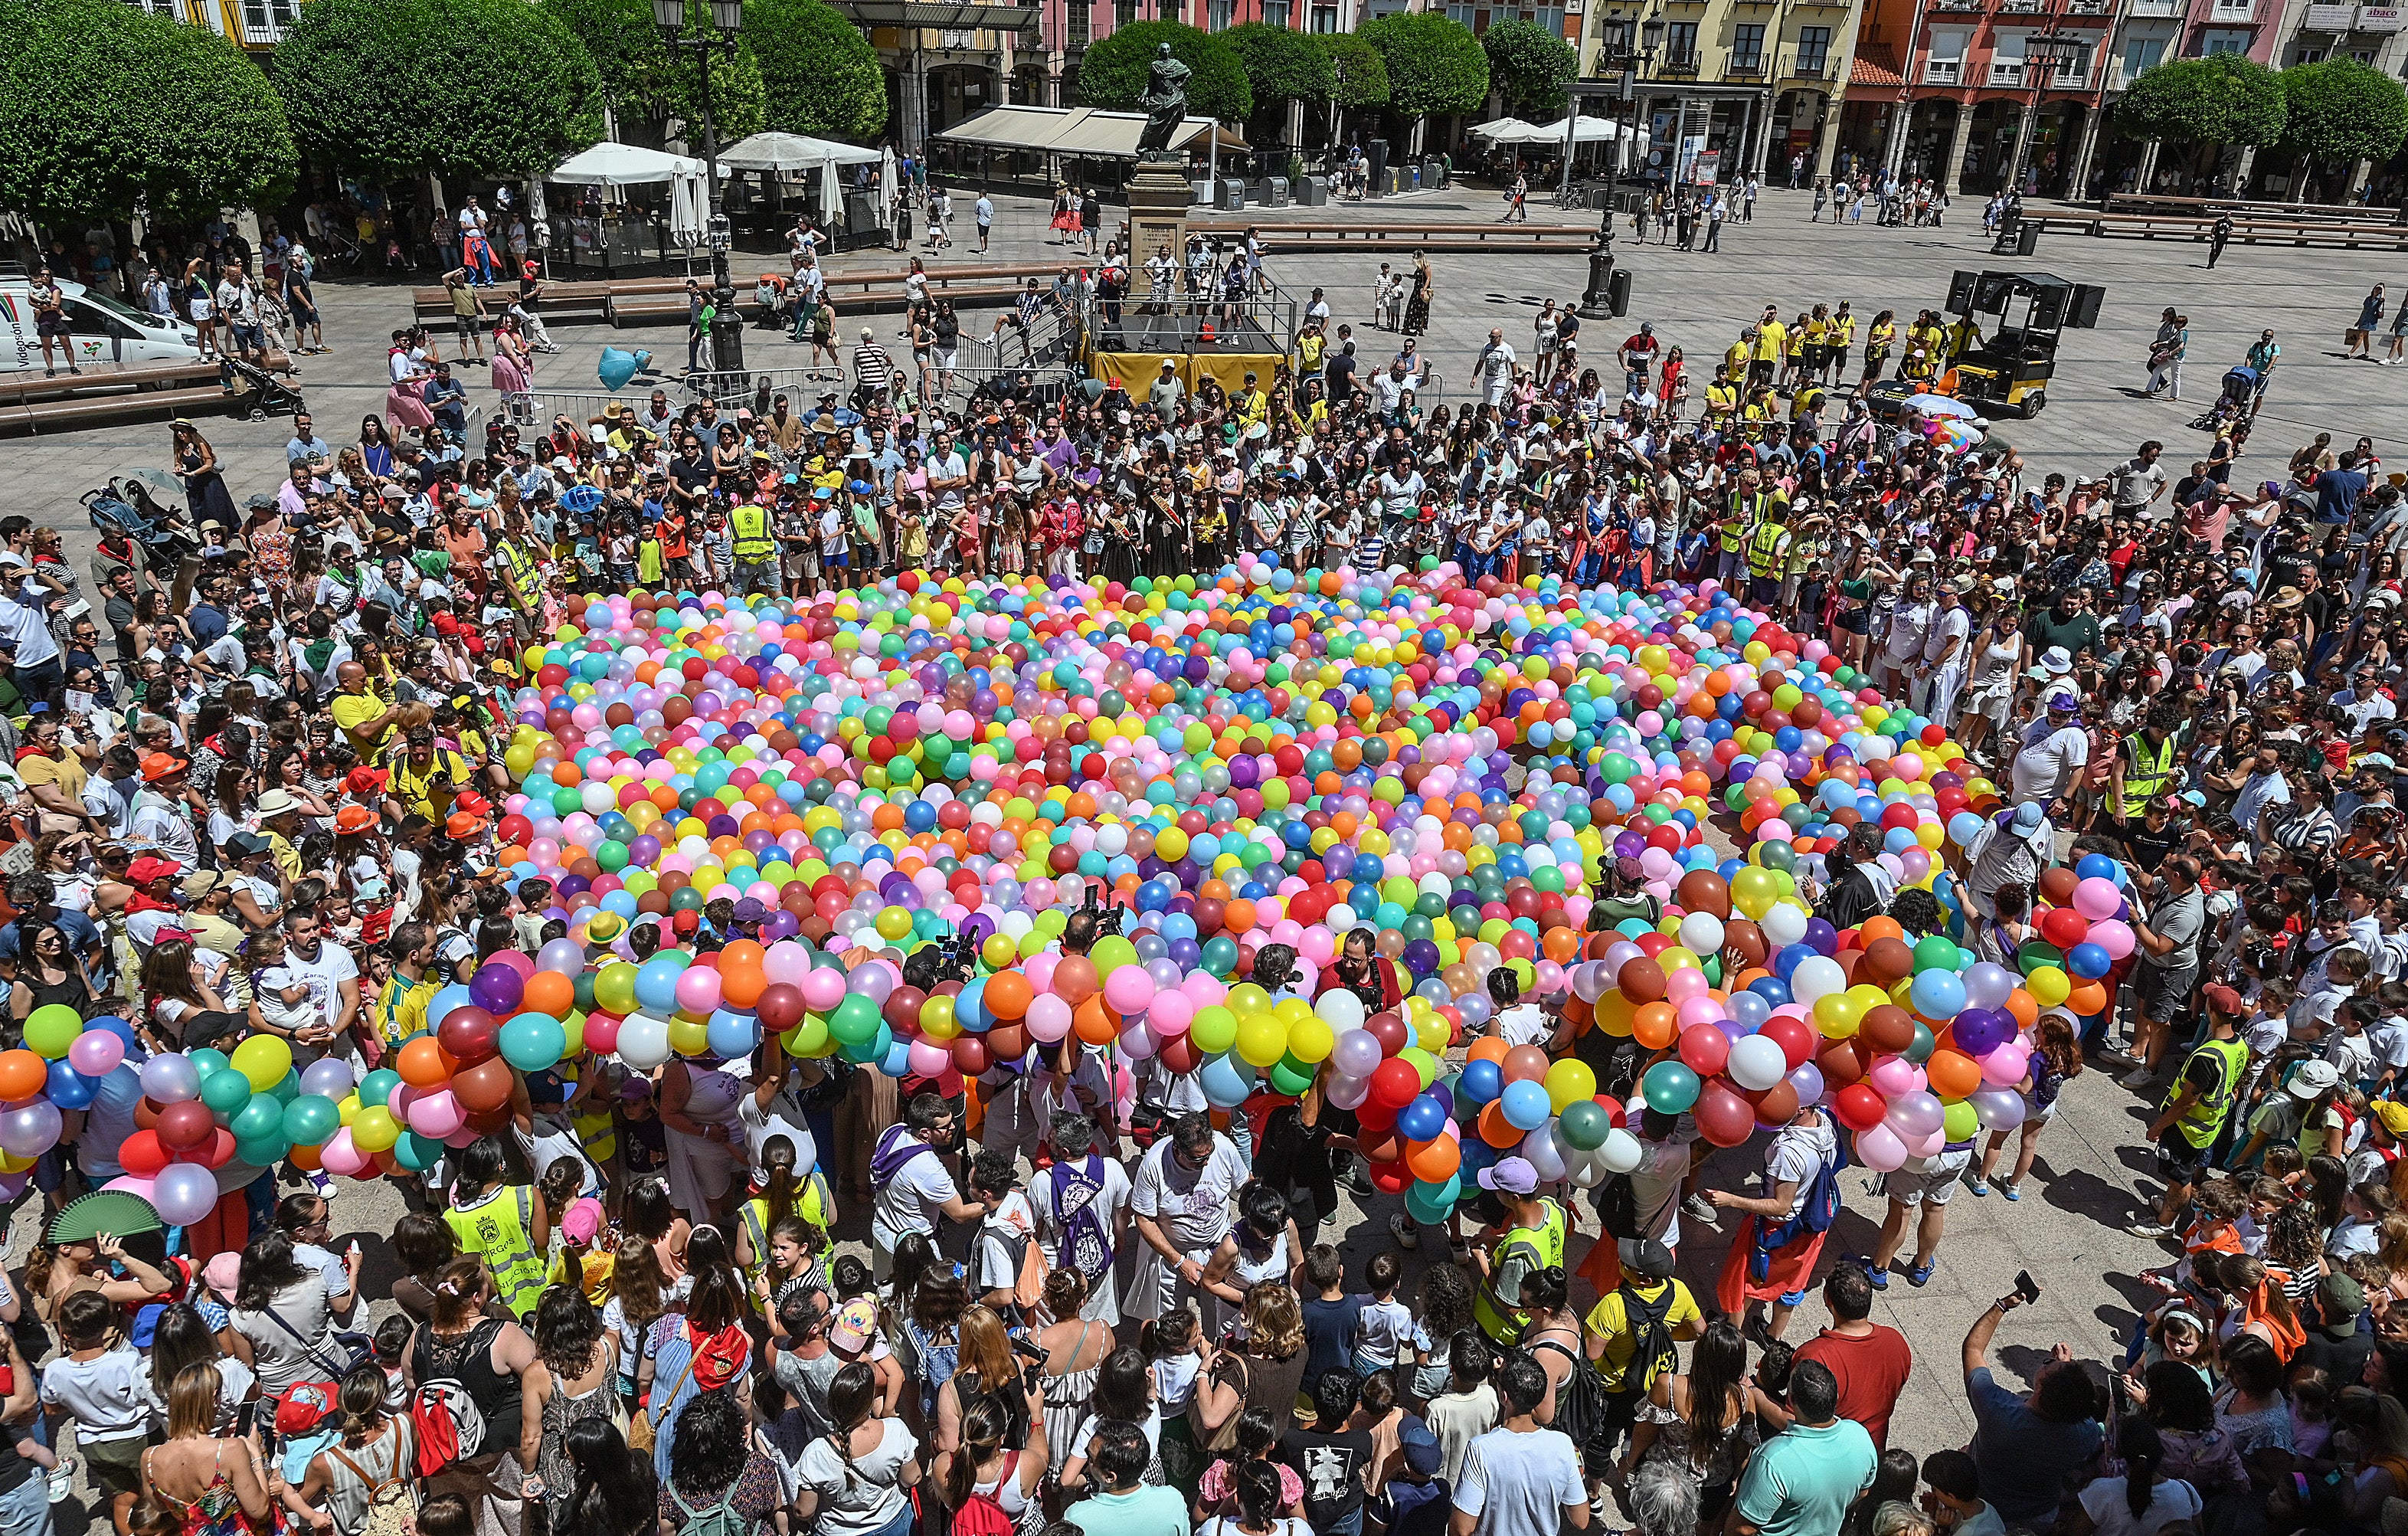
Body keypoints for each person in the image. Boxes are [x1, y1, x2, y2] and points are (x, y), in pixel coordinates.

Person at [1958, 1289, 2104, 1527]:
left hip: (1981, 1506)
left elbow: (1973, 1349)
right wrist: (2065, 1370)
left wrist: (2002, 1306)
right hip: (2037, 1517)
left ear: (2039, 1387)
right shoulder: (2086, 1433)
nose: (2050, 1362)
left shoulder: (1997, 1410)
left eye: (2048, 1364)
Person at [1449, 1351, 1588, 1536]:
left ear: (1504, 1396)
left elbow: (1462, 1529)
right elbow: (1581, 1519)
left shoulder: (1481, 1450)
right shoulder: (1563, 1444)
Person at [1791, 1265, 1912, 1452]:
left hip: (1831, 1453)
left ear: (1827, 1300)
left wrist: (1755, 1395)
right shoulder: (1896, 1341)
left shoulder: (1814, 1357)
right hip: (1874, 1450)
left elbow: (1796, 1422)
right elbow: (1895, 1392)